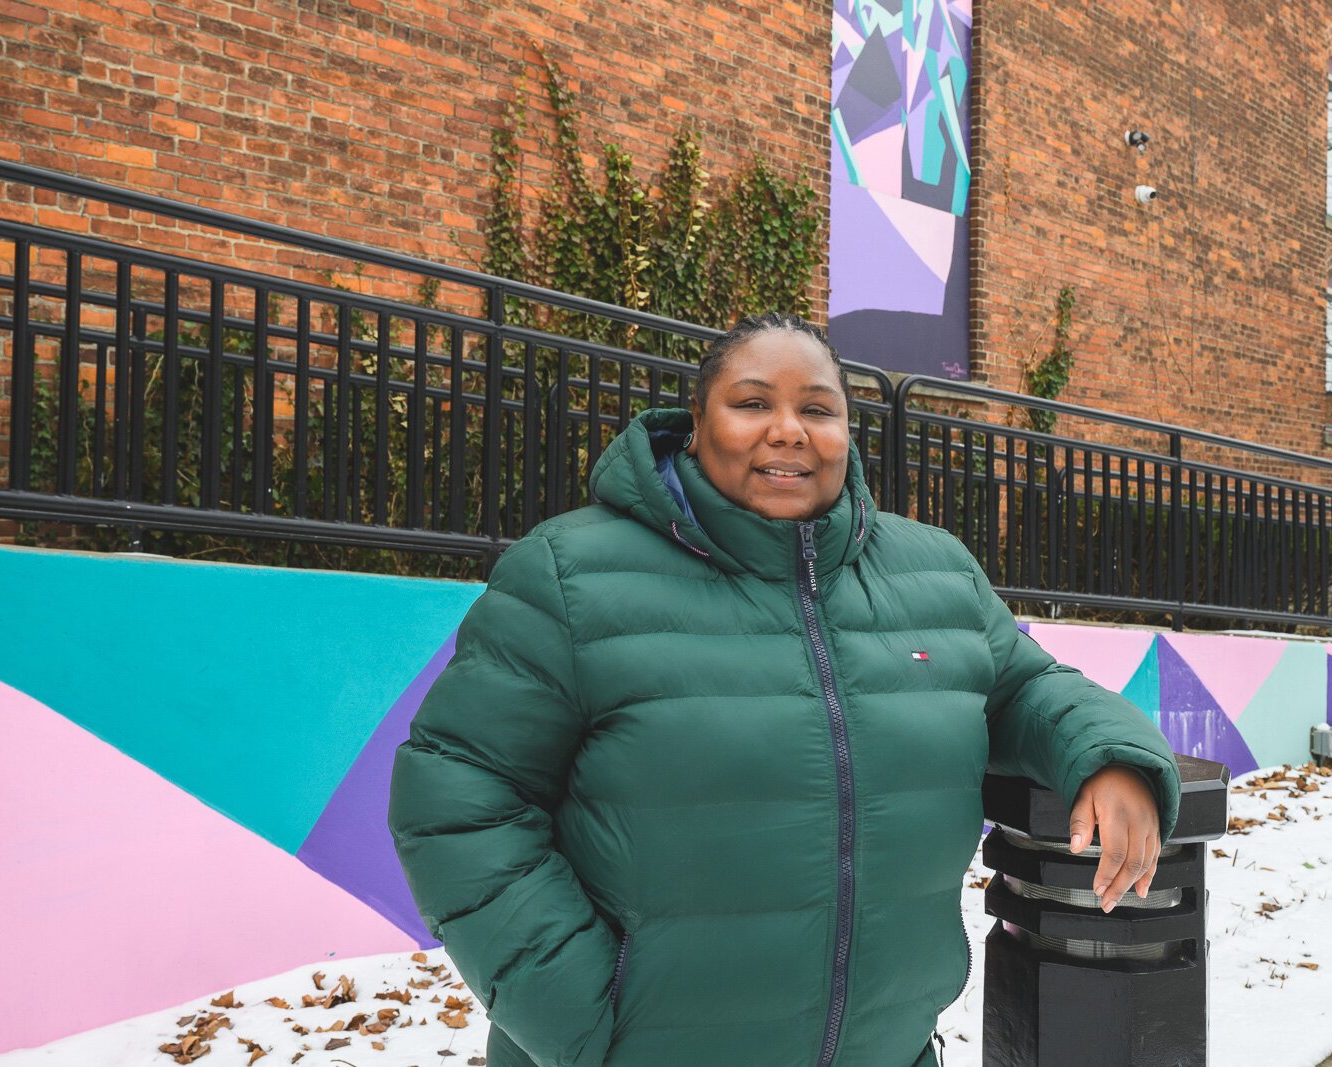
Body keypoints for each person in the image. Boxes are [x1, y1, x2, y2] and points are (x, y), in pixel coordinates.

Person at [388, 312, 1181, 1067]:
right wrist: (582, 1012)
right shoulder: (569, 573)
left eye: (818, 408)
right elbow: (457, 793)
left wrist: (1112, 758)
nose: (788, 430)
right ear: (696, 425)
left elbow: (1025, 688)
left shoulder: (935, 572)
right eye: (752, 403)